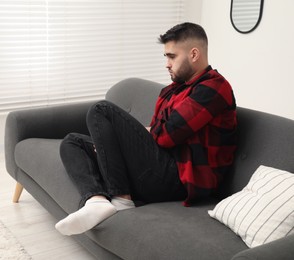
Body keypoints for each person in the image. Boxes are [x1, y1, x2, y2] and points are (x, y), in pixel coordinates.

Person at [55, 22, 237, 236]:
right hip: (160, 165)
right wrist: (112, 145)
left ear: (194, 54)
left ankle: (121, 199)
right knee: (72, 141)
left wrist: (130, 139)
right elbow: (158, 132)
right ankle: (96, 200)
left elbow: (165, 136)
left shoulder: (214, 88)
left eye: (172, 56)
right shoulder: (173, 90)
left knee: (100, 109)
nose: (167, 64)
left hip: (179, 179)